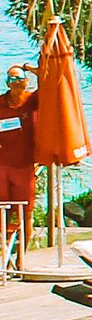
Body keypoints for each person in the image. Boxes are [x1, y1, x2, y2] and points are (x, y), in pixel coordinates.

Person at [0, 61, 34, 263]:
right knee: (3, 212)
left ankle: (21, 260)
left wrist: (31, 69)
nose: (16, 82)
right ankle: (5, 258)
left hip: (25, 166)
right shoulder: (1, 104)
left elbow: (51, 83)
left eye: (19, 78)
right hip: (2, 166)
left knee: (25, 212)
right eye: (12, 79)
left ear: (26, 81)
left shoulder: (32, 101)